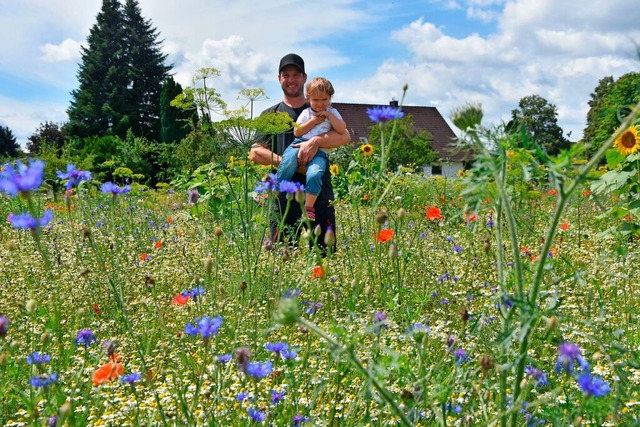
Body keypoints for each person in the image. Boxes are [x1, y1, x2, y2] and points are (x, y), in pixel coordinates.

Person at [249, 53, 350, 254]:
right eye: (286, 75)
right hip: (283, 199)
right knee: (283, 258)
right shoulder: (270, 114)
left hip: (318, 195)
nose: (291, 80)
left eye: (296, 75)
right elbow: (255, 152)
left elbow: (345, 136)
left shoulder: (318, 106)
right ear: (279, 79)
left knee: (324, 255)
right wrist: (291, 162)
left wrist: (316, 141)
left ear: (304, 78)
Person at [277, 77, 346, 221]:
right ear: (308, 99)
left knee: (315, 174)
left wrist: (329, 116)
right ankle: (275, 189)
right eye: (316, 100)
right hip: (299, 143)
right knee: (288, 162)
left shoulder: (333, 113)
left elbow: (341, 129)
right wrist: (314, 121)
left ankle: (308, 208)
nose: (320, 104)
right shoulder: (306, 113)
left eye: (324, 99)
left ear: (330, 98)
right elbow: (297, 132)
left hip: (320, 152)